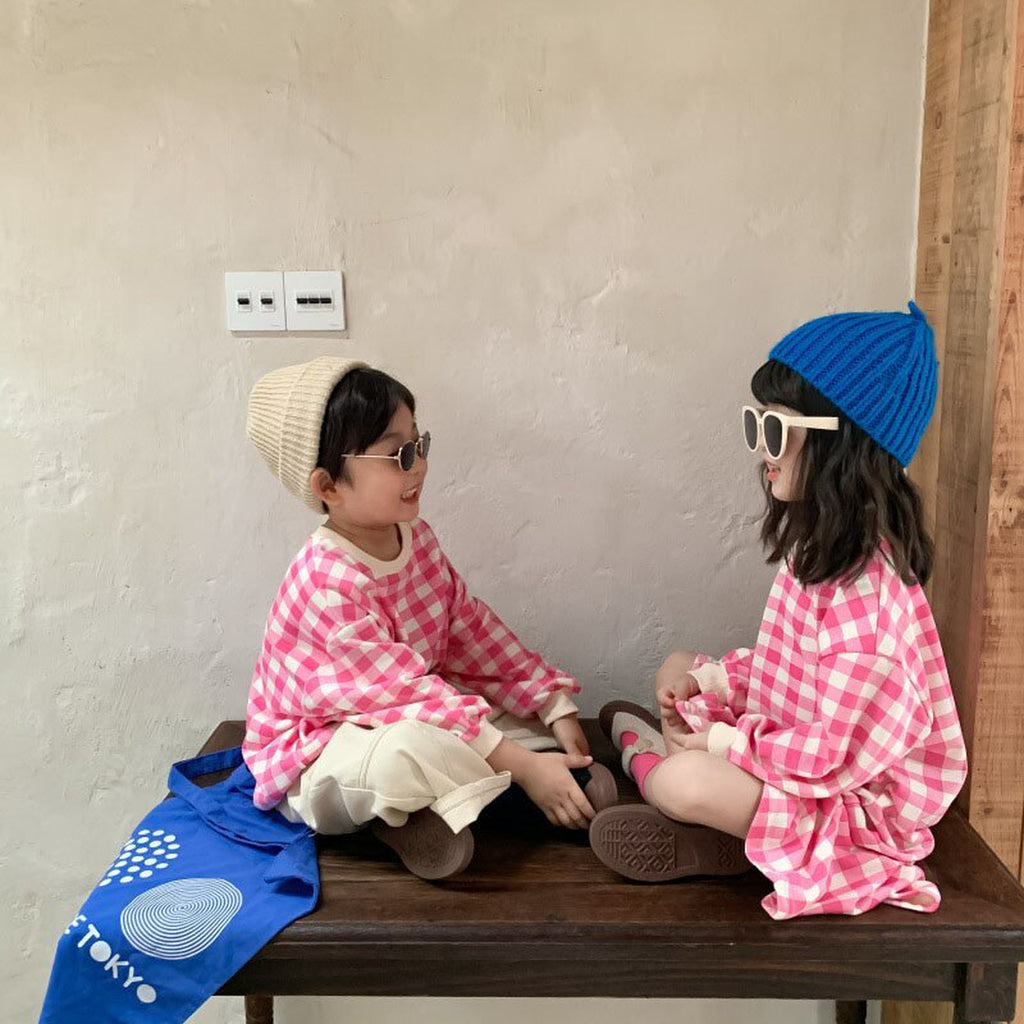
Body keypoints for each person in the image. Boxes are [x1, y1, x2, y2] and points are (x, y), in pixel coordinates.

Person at [592, 303, 968, 919]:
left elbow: (830, 757)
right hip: (799, 754)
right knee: (678, 664)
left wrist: (721, 742)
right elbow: (783, 672)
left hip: (849, 802)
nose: (762, 451)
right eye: (757, 424)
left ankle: (658, 775)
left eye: (776, 431)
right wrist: (713, 683)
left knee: (688, 780)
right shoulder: (818, 550)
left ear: (845, 445)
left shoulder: (870, 605)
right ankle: (696, 803)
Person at [243, 357, 615, 880]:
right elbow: (406, 696)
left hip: (405, 704)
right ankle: (495, 794)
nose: (417, 465)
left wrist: (548, 701)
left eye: (418, 445)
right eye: (397, 454)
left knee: (497, 720)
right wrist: (526, 764)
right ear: (328, 487)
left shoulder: (415, 538)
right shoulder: (327, 582)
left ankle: (449, 806)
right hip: (322, 747)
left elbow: (470, 630)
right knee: (402, 755)